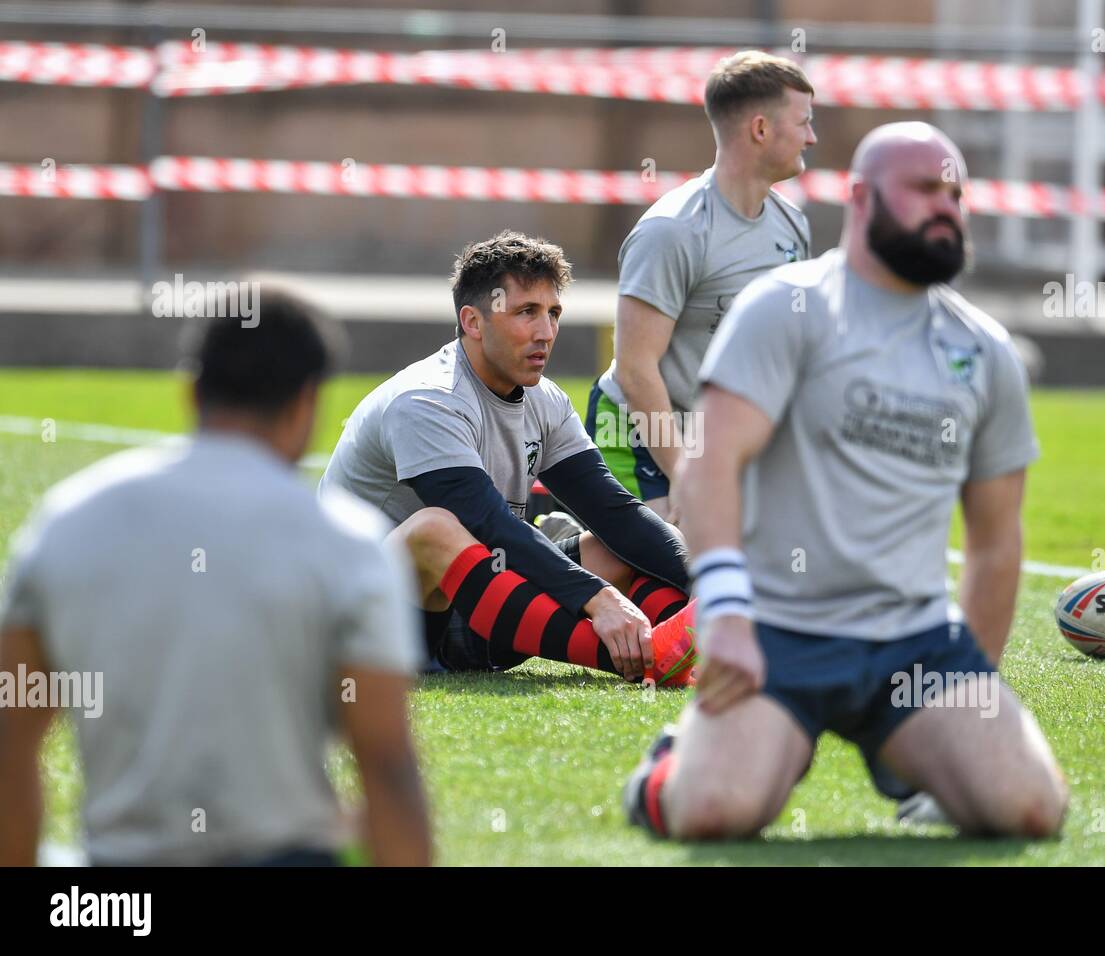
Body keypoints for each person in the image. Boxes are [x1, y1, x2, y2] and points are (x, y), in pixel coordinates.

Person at [624, 122, 1068, 840]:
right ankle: (674, 763)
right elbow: (711, 468)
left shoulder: (985, 350)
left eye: (956, 194)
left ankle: (908, 755)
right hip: (779, 633)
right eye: (925, 190)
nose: (946, 208)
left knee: (1029, 810)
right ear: (861, 198)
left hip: (914, 644)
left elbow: (994, 540)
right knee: (712, 813)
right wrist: (728, 616)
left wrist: (972, 684)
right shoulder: (785, 307)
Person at [0, 291, 432, 866]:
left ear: (190, 389)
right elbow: (386, 765)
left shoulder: (67, 520)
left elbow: (10, 742)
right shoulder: (346, 543)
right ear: (306, 403)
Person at [320, 232, 696, 687]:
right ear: (473, 322)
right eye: (526, 313)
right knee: (434, 528)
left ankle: (704, 643)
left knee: (624, 545)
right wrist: (599, 598)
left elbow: (616, 513)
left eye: (553, 313)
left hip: (483, 609)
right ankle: (649, 656)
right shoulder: (427, 400)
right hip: (373, 627)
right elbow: (489, 525)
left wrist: (715, 588)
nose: (546, 332)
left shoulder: (545, 401)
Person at [585, 51, 816, 522]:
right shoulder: (673, 230)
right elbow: (635, 370)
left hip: (718, 437)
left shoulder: (792, 227)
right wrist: (687, 483)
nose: (812, 137)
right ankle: (567, 536)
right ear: (760, 129)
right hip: (634, 434)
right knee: (684, 568)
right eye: (804, 122)